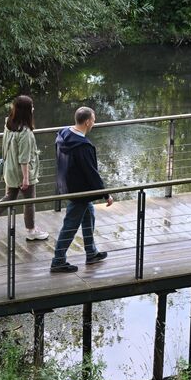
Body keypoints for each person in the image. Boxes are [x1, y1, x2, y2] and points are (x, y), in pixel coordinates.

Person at [0, 95, 49, 242]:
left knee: (9, 197)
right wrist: (26, 178)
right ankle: (31, 231)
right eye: (31, 106)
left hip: (9, 168)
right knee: (29, 202)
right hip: (21, 173)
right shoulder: (25, 133)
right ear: (27, 111)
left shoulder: (8, 123)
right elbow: (24, 159)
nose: (33, 108)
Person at [50, 106, 114, 273]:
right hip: (79, 191)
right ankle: (58, 260)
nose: (94, 123)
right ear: (87, 122)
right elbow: (91, 173)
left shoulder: (63, 134)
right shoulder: (83, 146)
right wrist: (105, 194)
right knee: (70, 224)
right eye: (93, 120)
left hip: (66, 185)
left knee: (89, 215)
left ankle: (91, 252)